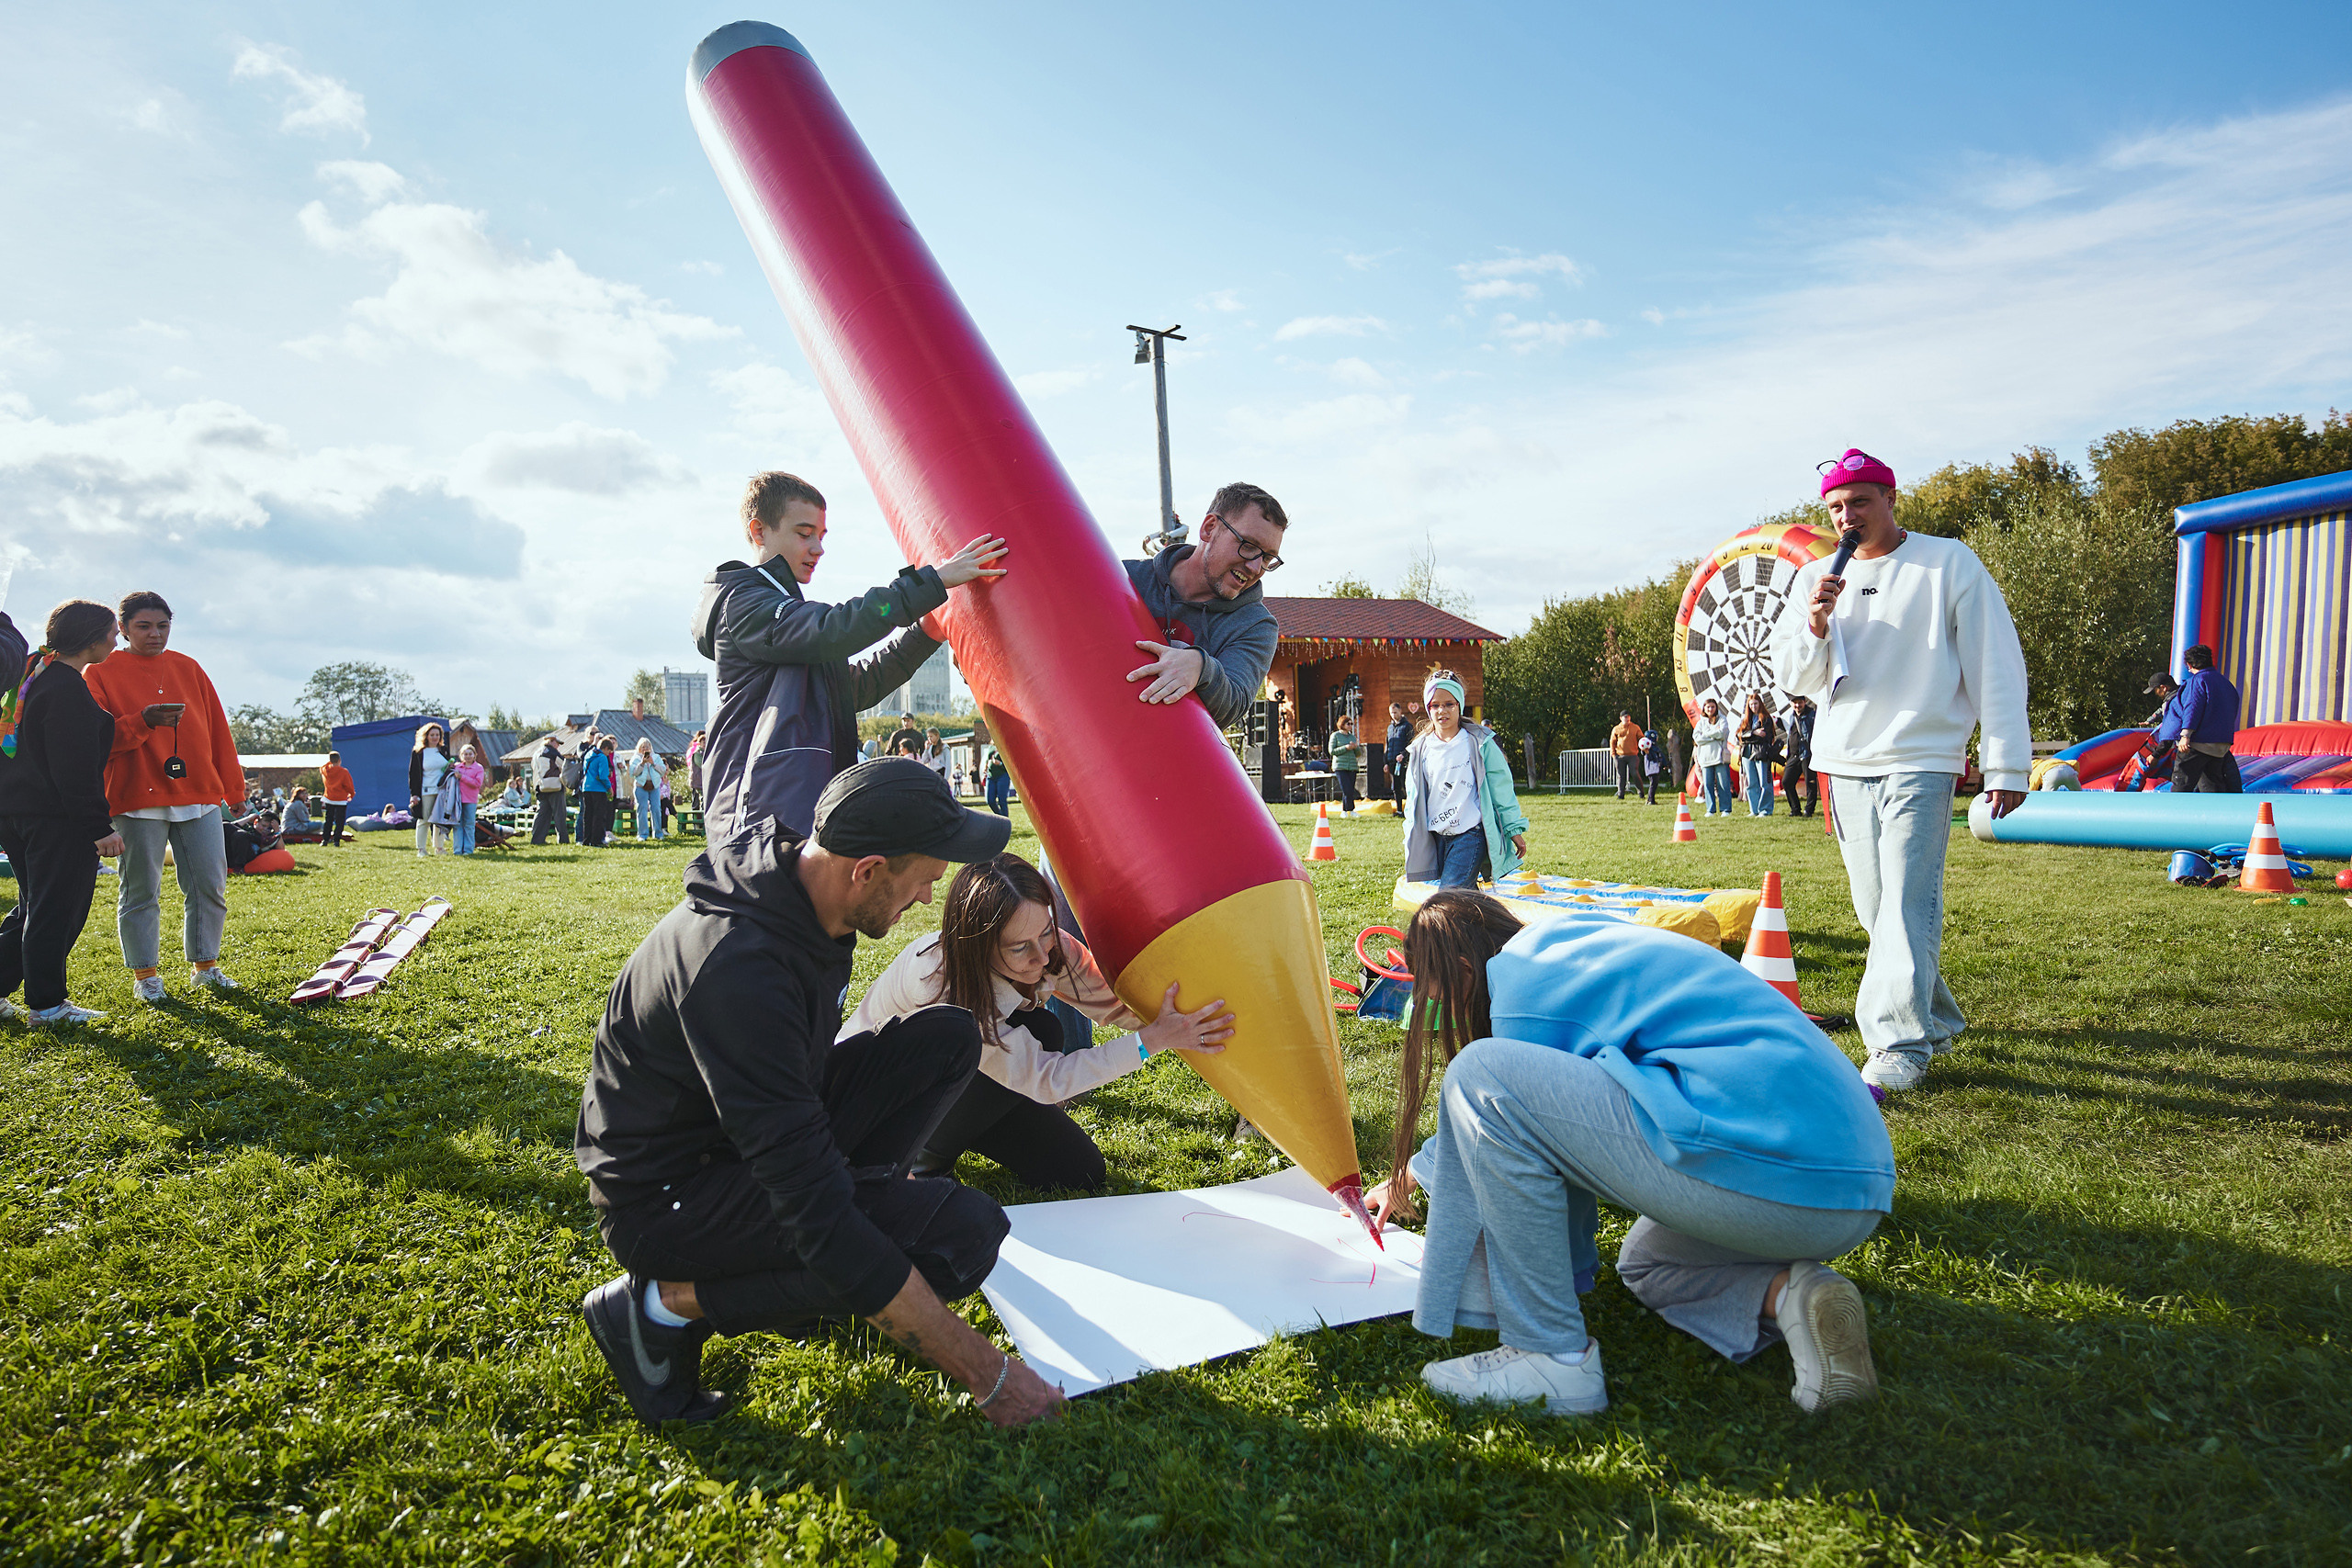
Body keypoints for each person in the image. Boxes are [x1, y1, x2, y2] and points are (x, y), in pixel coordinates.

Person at [573, 758, 1065, 1428]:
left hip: (735, 1140)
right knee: (960, 1235)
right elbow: (814, 1209)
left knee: (946, 1038)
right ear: (866, 870)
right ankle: (658, 1305)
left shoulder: (807, 894)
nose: (927, 897)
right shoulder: (740, 970)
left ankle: (826, 1258)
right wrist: (991, 1374)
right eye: (923, 878)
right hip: (665, 1197)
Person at [1367, 890, 1894, 1416]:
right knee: (1648, 1263)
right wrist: (1410, 1177)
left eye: (1434, 994)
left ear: (1463, 972)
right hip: (1846, 1193)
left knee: (1478, 1072)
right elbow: (1546, 1110)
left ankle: (1550, 1356)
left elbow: (1505, 1108)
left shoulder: (1520, 985)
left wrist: (1544, 1284)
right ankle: (1792, 1296)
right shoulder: (1567, 946)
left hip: (1779, 1172)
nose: (1435, 1013)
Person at [1771, 448, 2030, 1094]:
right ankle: (1935, 1014)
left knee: (1907, 901)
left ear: (1890, 498)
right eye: (1835, 507)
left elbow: (1996, 663)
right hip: (1844, 760)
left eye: (1859, 501)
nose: (1846, 516)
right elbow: (1793, 679)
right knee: (1877, 906)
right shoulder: (1812, 580)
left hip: (1922, 757)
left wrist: (2007, 763)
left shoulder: (1948, 563)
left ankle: (1898, 1043)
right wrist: (1815, 624)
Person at [841, 852, 1234, 1190]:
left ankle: (962, 1135)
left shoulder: (1048, 947)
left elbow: (1116, 1005)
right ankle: (922, 1162)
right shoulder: (938, 984)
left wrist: (1188, 1018)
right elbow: (1048, 1080)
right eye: (1019, 947)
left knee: (1079, 1172)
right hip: (887, 1109)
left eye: (1046, 931)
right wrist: (1149, 1042)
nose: (1043, 957)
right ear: (977, 945)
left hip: (978, 1085)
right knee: (1041, 1031)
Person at [694, 471, 1007, 847]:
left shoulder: (789, 618)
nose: (818, 548)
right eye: (804, 533)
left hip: (791, 809)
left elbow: (858, 687)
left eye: (821, 537)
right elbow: (835, 628)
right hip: (756, 820)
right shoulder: (744, 604)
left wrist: (925, 634)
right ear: (759, 531)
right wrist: (932, 582)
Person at [82, 590, 244, 1002]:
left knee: (209, 884)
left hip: (200, 796)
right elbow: (97, 740)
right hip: (136, 799)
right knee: (140, 891)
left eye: (163, 625)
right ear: (121, 629)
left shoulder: (189, 667)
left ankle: (206, 967)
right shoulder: (98, 672)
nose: (155, 634)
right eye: (143, 626)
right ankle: (146, 977)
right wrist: (142, 722)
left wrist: (234, 787)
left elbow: (217, 732)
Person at [0, 601, 126, 1025]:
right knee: (56, 910)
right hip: (54, 818)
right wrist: (98, 827)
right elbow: (71, 769)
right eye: (112, 632)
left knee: (34, 906)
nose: (117, 639)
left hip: (13, 812)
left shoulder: (30, 677)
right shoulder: (66, 688)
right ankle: (47, 1006)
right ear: (91, 639)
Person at [1123, 482, 1287, 727]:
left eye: (1267, 558)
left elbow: (1234, 706)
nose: (1255, 568)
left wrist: (1201, 666)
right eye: (1249, 546)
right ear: (1209, 528)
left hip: (1167, 758)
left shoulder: (1255, 625)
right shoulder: (1125, 578)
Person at [1402, 673, 1528, 890]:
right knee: (1464, 893)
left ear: (1460, 705)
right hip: (1437, 835)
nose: (1442, 711)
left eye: (1449, 704)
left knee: (1450, 893)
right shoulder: (1420, 748)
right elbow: (1413, 799)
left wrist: (1512, 828)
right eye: (1436, 705)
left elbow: (1501, 788)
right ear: (1428, 708)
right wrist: (1411, 835)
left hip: (1470, 833)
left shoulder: (1478, 742)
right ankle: (1484, 920)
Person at [2154, 645, 2242, 794]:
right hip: (2220, 745)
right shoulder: (2225, 683)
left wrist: (2185, 735)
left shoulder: (2198, 681)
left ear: (2189, 665)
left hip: (2198, 743)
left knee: (2182, 783)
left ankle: (2176, 813)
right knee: (2212, 786)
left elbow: (2192, 708)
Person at [1737, 694, 1778, 817]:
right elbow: (1739, 735)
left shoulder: (1765, 719)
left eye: (1755, 703)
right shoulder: (1746, 720)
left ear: (1760, 704)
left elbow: (1764, 736)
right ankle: (1754, 810)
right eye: (1751, 704)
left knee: (1765, 783)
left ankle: (1765, 810)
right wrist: (1754, 733)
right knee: (1751, 783)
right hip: (1747, 753)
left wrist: (1747, 735)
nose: (1753, 706)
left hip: (1761, 753)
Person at [1691, 699, 1734, 817]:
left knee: (1723, 784)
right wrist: (1713, 736)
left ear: (1716, 708)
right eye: (1708, 707)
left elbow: (1722, 733)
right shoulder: (1700, 723)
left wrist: (1706, 733)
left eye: (1712, 707)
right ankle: (1710, 809)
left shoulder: (1722, 719)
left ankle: (1726, 809)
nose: (1710, 709)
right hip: (1705, 758)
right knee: (1708, 784)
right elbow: (1697, 738)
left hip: (1720, 757)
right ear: (1704, 708)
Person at [530, 736, 571, 845]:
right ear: (551, 742)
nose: (558, 746)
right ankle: (563, 839)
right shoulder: (552, 752)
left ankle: (537, 839)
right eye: (557, 743)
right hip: (554, 786)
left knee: (542, 814)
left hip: (540, 786)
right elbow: (564, 766)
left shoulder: (536, 753)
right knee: (560, 814)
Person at [1781, 696, 1818, 817]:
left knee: (1810, 783)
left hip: (1807, 754)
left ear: (1805, 702)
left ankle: (1809, 810)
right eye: (1795, 703)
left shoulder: (1812, 715)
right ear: (1791, 704)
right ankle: (1795, 809)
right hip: (1794, 755)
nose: (1797, 706)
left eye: (1800, 703)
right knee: (1787, 782)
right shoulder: (1792, 716)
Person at [448, 744, 487, 854]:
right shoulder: (457, 767)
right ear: (461, 756)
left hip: (470, 800)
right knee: (457, 825)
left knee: (469, 825)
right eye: (465, 754)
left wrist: (462, 777)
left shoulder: (478, 768)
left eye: (470, 754)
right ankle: (457, 850)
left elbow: (477, 783)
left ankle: (468, 850)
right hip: (457, 800)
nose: (468, 756)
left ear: (475, 755)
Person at [579, 736, 615, 847]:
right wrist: (609, 788)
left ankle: (586, 839)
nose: (609, 754)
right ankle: (597, 840)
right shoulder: (602, 757)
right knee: (599, 815)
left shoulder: (589, 754)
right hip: (598, 789)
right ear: (606, 748)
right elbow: (603, 776)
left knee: (588, 815)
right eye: (609, 751)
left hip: (586, 788)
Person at [628, 739, 665, 841]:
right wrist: (642, 763)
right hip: (641, 786)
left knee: (656, 809)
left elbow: (663, 771)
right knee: (642, 809)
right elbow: (633, 773)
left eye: (647, 747)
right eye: (643, 747)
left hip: (654, 786)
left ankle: (658, 833)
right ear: (639, 748)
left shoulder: (656, 757)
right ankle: (642, 834)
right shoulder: (635, 758)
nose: (645, 749)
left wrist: (653, 764)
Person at [1328, 714, 1362, 814]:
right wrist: (1346, 748)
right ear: (1342, 724)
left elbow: (1358, 754)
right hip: (1340, 767)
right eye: (1348, 724)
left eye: (1352, 724)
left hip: (1352, 766)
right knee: (1346, 789)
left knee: (1350, 789)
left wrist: (1356, 747)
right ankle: (1349, 810)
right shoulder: (1335, 736)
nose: (1350, 725)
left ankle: (1347, 810)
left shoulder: (1352, 737)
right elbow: (1332, 751)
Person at [1384, 700, 1415, 807]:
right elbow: (1387, 745)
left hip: (1403, 761)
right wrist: (1386, 762)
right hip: (1392, 761)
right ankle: (1399, 809)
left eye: (1395, 712)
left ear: (1400, 711)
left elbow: (1411, 744)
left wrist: (1403, 754)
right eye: (1391, 713)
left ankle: (1410, 808)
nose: (1393, 715)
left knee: (1406, 785)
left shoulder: (1407, 726)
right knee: (1395, 787)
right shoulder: (1390, 728)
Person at [320, 751, 355, 846]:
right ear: (340, 760)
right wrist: (351, 794)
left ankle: (325, 840)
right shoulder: (343, 772)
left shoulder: (326, 770)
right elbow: (348, 785)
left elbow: (322, 767)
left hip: (329, 797)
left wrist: (330, 763)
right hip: (341, 799)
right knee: (339, 821)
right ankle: (336, 840)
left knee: (328, 820)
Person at [1607, 712, 1644, 801]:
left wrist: (1644, 746)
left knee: (1635, 773)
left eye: (1628, 717)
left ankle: (1641, 792)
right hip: (1619, 756)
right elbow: (1612, 742)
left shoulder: (1635, 727)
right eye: (1625, 717)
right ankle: (1621, 795)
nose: (1627, 719)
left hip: (1633, 755)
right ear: (1621, 718)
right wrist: (1613, 755)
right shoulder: (1616, 729)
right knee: (1621, 775)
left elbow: (1641, 738)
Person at [984, 747, 1011, 818]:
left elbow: (1010, 765)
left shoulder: (1004, 746)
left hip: (1002, 776)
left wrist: (1000, 764)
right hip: (991, 776)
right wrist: (986, 767)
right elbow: (988, 759)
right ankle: (1000, 817)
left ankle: (1005, 820)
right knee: (990, 800)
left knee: (1002, 800)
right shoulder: (991, 747)